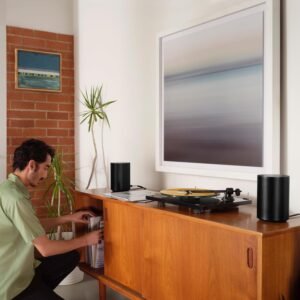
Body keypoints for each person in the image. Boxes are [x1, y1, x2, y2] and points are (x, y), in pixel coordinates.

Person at [0, 139, 102, 300]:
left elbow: (31, 226)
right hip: (11, 284)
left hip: (23, 270)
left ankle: (39, 292)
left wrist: (68, 218)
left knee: (71, 257)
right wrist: (87, 239)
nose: (46, 175)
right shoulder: (16, 198)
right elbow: (45, 249)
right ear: (32, 165)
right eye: (46, 168)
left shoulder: (7, 188)